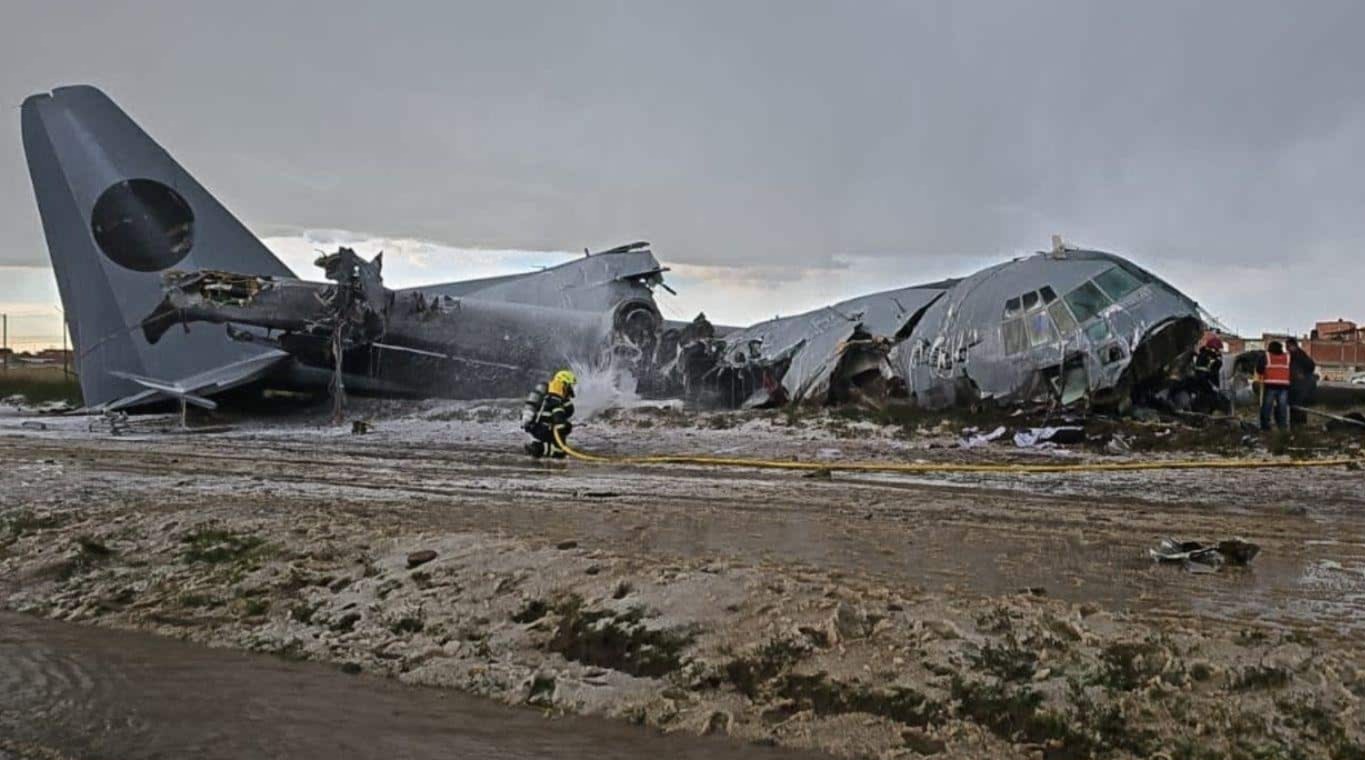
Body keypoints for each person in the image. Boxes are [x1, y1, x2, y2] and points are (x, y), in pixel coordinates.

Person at [523, 369, 577, 458]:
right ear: (564, 383)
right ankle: (538, 448)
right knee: (560, 452)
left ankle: (540, 446)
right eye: (570, 385)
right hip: (543, 427)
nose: (571, 389)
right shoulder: (555, 394)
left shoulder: (549, 391)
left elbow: (567, 409)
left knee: (559, 445)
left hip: (535, 425)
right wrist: (562, 427)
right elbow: (557, 411)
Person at [1255, 341, 1291, 432]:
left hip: (1270, 385)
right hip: (1284, 386)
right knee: (1282, 408)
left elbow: (1259, 369)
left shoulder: (1266, 356)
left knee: (1267, 407)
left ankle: (1265, 427)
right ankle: (1282, 427)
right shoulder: (1287, 357)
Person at [1285, 337, 1318, 410]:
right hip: (1300, 385)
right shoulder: (1299, 354)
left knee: (1297, 405)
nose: (1286, 349)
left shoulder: (1297, 355)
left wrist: (1301, 374)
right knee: (1297, 406)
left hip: (1299, 385)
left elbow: (1309, 365)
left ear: (1293, 346)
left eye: (1287, 346)